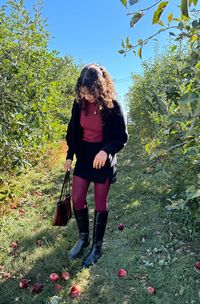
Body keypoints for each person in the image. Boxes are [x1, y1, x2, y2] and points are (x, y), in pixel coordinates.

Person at [64, 63, 128, 268]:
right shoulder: (79, 104)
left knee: (101, 203)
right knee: (77, 198)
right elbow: (73, 132)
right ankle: (83, 238)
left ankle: (97, 246)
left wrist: (106, 150)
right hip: (84, 157)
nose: (86, 96)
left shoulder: (113, 107)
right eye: (82, 92)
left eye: (90, 92)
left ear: (100, 88)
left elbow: (121, 137)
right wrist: (69, 155)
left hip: (102, 160)